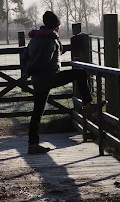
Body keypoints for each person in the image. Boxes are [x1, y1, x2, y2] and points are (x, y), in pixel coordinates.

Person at [23, 11, 104, 155]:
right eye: (59, 26)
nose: (59, 29)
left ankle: (33, 144)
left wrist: (27, 73)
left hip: (39, 80)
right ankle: (88, 104)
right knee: (80, 73)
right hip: (48, 77)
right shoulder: (50, 40)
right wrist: (32, 70)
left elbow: (32, 56)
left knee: (37, 112)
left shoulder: (35, 39)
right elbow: (44, 60)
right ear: (55, 27)